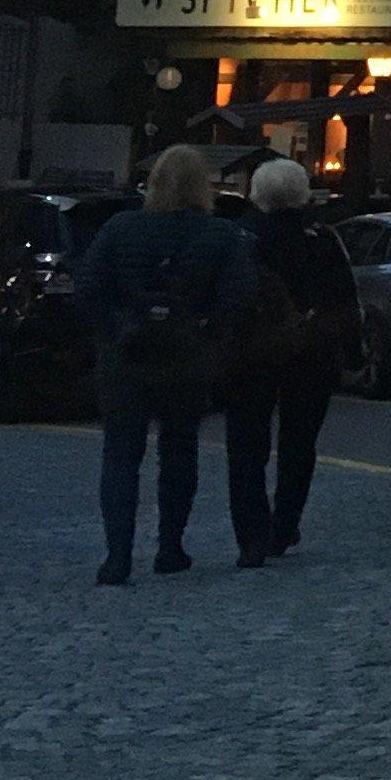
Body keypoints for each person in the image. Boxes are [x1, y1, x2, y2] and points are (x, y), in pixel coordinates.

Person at [70, 143, 258, 584]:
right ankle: (170, 546)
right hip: (186, 356)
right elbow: (240, 292)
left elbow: (88, 286)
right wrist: (210, 334)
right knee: (179, 450)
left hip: (128, 354)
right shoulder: (219, 234)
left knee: (121, 455)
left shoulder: (121, 228)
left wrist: (113, 330)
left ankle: (118, 555)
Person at [225, 158, 357, 567]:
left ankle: (251, 536)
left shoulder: (240, 238)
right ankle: (284, 525)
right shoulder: (321, 238)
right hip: (312, 351)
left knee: (246, 446)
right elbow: (345, 297)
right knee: (299, 444)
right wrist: (352, 351)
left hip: (252, 352)